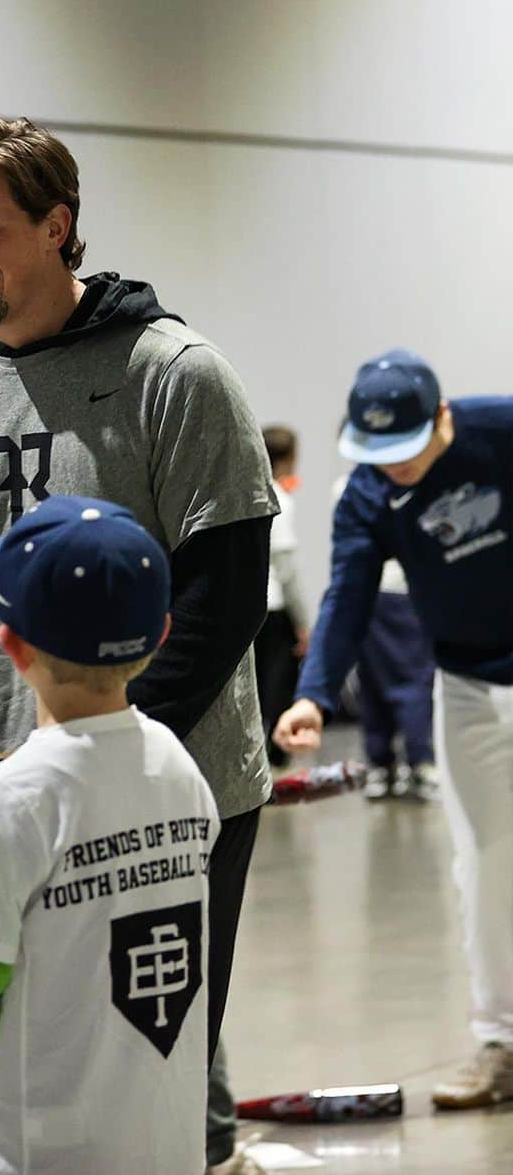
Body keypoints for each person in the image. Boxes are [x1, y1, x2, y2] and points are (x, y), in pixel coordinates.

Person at [0, 115, 278, 1173]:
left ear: (58, 225)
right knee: (43, 1037)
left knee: (166, 1035)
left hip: (182, 773)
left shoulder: (176, 374)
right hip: (13, 779)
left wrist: (113, 753)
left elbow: (228, 591)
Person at [0, 495, 220, 1174]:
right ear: (161, 633)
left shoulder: (6, 803)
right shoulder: (178, 768)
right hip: (167, 1150)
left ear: (9, 644)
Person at [274, 351, 513, 1109]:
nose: (395, 469)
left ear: (441, 420)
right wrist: (313, 696)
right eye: (378, 456)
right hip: (467, 683)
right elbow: (347, 594)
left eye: (407, 450)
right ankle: (502, 1044)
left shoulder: (499, 431)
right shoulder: (368, 495)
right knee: (483, 867)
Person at [329, 471, 437, 802]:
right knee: (412, 682)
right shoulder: (411, 478)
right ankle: (420, 765)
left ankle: (381, 765)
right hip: (401, 593)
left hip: (365, 594)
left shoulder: (347, 484)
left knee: (373, 682)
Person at [254, 425, 309, 764]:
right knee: (277, 684)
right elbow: (287, 568)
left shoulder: (249, 493)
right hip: (276, 606)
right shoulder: (281, 500)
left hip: (250, 606)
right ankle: (276, 754)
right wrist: (303, 622)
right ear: (289, 458)